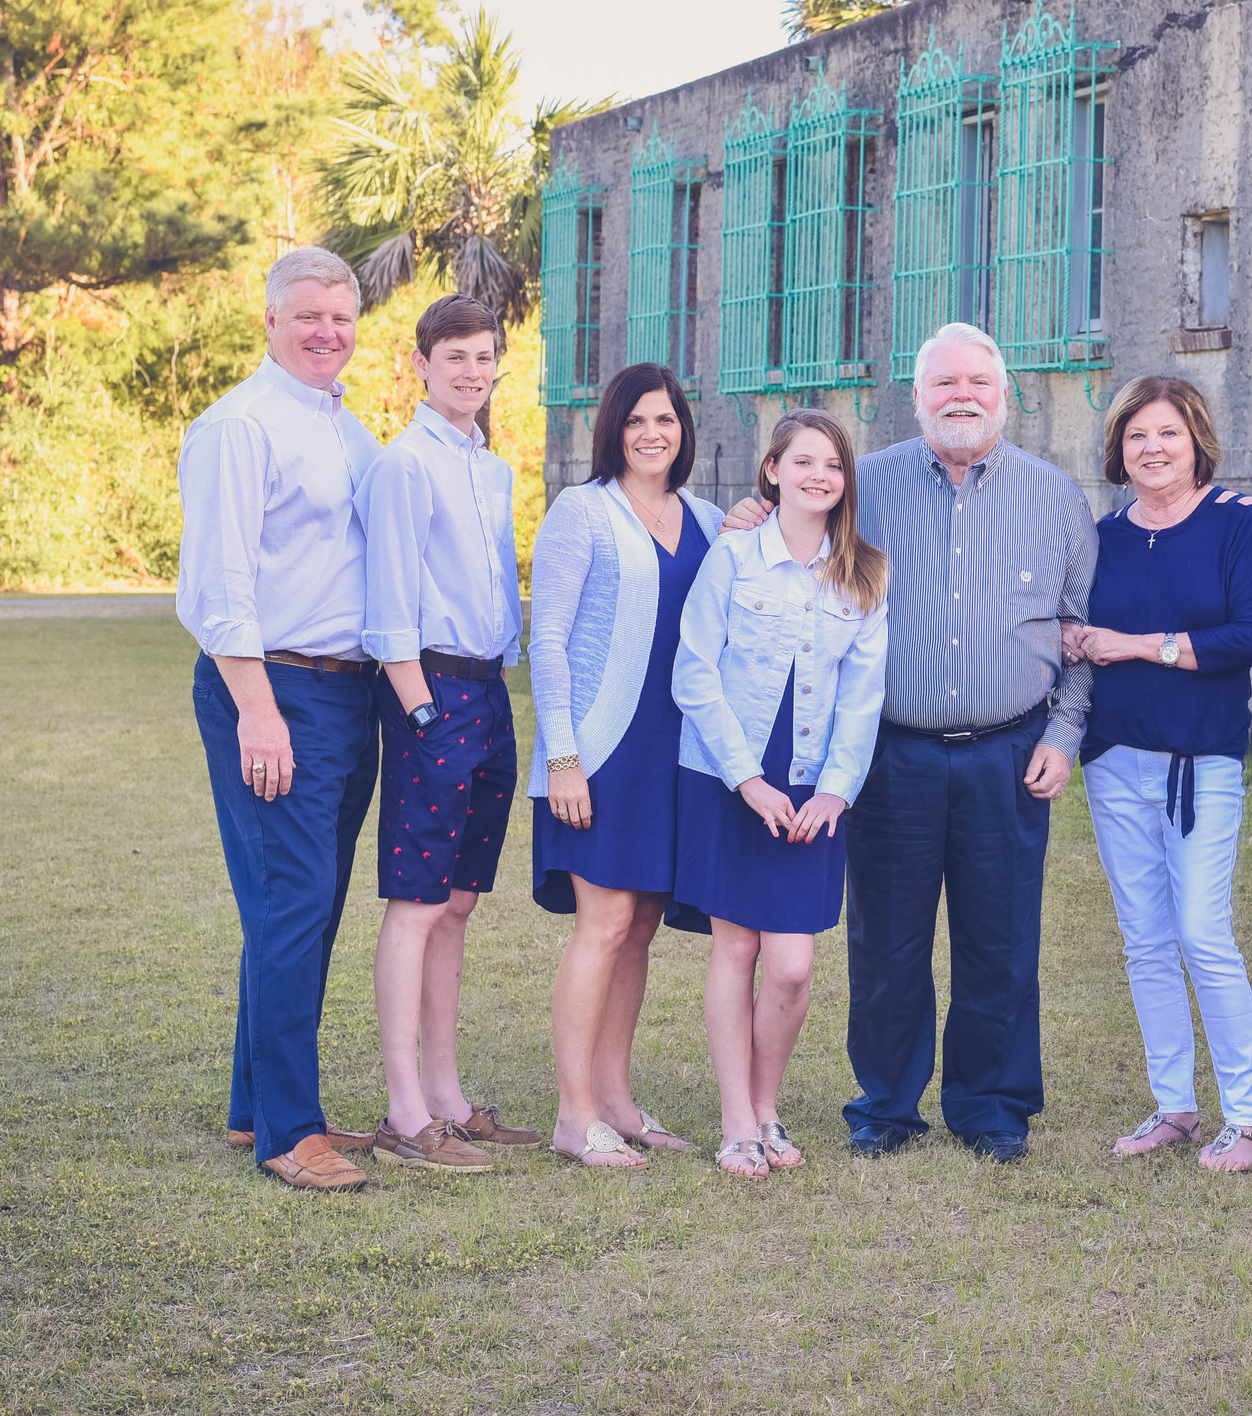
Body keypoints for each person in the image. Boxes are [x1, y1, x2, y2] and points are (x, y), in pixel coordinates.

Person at [719, 321, 1097, 1163]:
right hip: (892, 751)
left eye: (979, 383)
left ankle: (991, 1103)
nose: (962, 395)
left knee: (1001, 938)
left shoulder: (1057, 496)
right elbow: (789, 527)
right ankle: (886, 1105)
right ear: (916, 396)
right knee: (886, 938)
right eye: (943, 383)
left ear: (1008, 396)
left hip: (1011, 749)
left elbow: (1080, 631)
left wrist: (1065, 735)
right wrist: (749, 510)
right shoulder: (867, 487)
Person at [177, 247, 383, 1192]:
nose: (327, 333)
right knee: (294, 901)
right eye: (309, 316)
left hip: (347, 693)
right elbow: (220, 586)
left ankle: (250, 1104)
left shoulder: (346, 427)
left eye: (341, 318)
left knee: (304, 906)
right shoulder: (240, 425)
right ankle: (290, 1133)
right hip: (272, 690)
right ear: (269, 318)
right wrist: (258, 711)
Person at [672, 411, 890, 1177]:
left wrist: (836, 791)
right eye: (803, 462)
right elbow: (693, 671)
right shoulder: (734, 557)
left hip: (811, 782)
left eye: (832, 464)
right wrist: (747, 779)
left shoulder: (863, 570)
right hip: (733, 771)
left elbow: (864, 697)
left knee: (793, 964)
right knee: (736, 946)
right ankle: (739, 1121)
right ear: (772, 470)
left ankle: (768, 1104)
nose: (819, 476)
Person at [1068, 375, 1252, 1173]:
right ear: (1119, 449)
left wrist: (1138, 643)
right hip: (1115, 757)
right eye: (1137, 436)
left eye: (1169, 433)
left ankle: (1247, 1117)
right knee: (1145, 940)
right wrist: (1074, 638)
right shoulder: (1103, 537)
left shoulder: (1236, 521)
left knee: (1201, 929)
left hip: (1203, 760)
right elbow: (1079, 626)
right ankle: (1175, 1106)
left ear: (1198, 441)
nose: (1153, 448)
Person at [527, 363, 726, 1168]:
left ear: (684, 430)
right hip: (599, 754)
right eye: (637, 420)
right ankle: (574, 1118)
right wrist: (564, 759)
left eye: (667, 419)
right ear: (614, 429)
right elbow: (547, 640)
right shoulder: (582, 512)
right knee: (603, 925)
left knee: (640, 928)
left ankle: (615, 1100)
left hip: (673, 755)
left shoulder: (709, 519)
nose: (653, 432)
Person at [355, 293, 534, 1174]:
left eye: (484, 355)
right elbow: (388, 603)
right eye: (454, 355)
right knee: (417, 903)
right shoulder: (405, 466)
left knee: (459, 902)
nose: (472, 369)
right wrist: (420, 708)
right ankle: (402, 1110)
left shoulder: (489, 468)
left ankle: (449, 1098)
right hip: (431, 693)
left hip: (489, 693)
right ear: (421, 364)